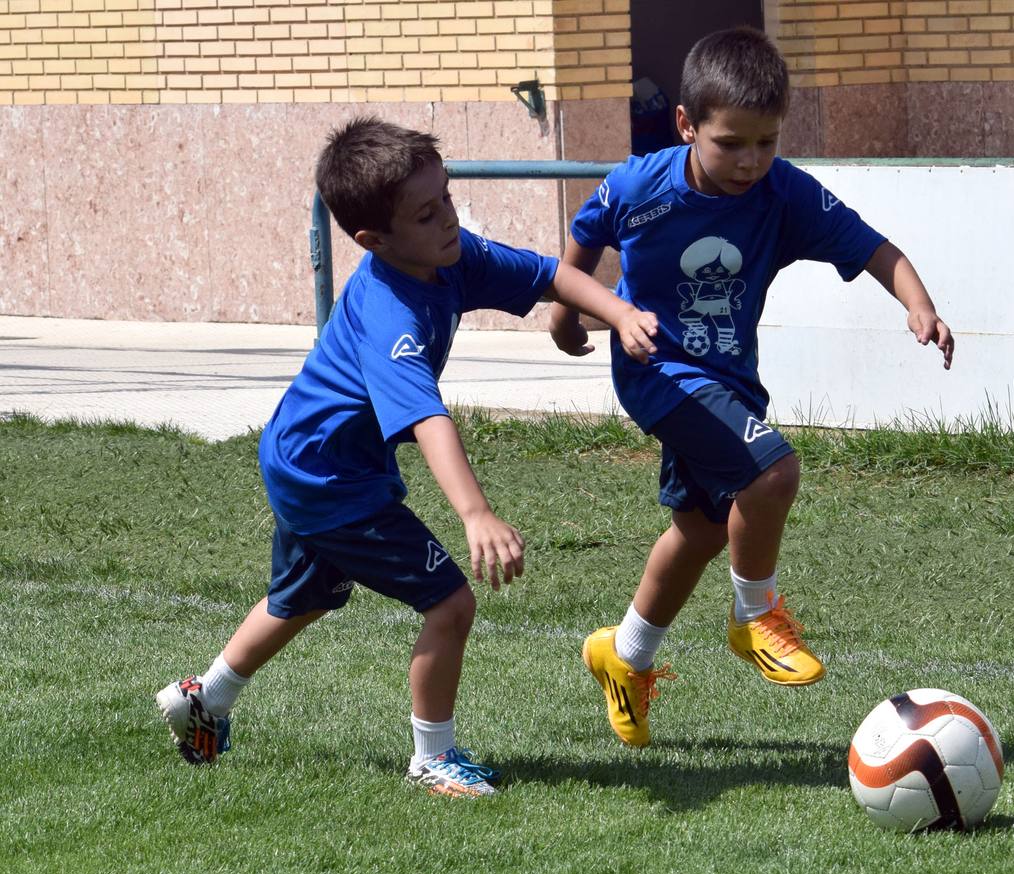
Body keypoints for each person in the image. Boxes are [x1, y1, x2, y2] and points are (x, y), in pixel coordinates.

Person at [155, 116, 658, 796]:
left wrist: (619, 314)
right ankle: (432, 758)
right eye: (428, 214)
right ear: (375, 240)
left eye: (446, 198)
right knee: (449, 604)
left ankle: (205, 698)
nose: (448, 219)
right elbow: (425, 414)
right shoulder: (391, 308)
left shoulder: (449, 256)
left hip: (303, 456)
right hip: (332, 478)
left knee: (303, 596)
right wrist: (476, 513)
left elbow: (549, 276)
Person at [550, 27, 955, 748]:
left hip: (728, 381)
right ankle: (754, 616)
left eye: (766, 142)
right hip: (657, 373)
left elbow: (873, 249)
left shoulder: (784, 193)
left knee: (703, 528)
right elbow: (584, 239)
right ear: (686, 125)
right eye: (731, 143)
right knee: (772, 473)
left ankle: (624, 655)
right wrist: (565, 317)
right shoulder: (640, 185)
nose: (750, 161)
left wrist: (918, 304)